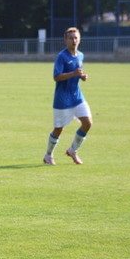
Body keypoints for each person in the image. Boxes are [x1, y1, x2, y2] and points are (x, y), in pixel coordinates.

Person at [43, 27, 91, 165]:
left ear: (79, 39)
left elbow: (77, 73)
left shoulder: (81, 55)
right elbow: (56, 77)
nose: (74, 40)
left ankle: (72, 150)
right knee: (59, 129)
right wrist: (73, 74)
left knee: (88, 123)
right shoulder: (62, 56)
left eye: (76, 38)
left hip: (77, 97)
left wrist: (82, 76)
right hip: (62, 100)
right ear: (65, 41)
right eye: (71, 38)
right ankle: (48, 155)